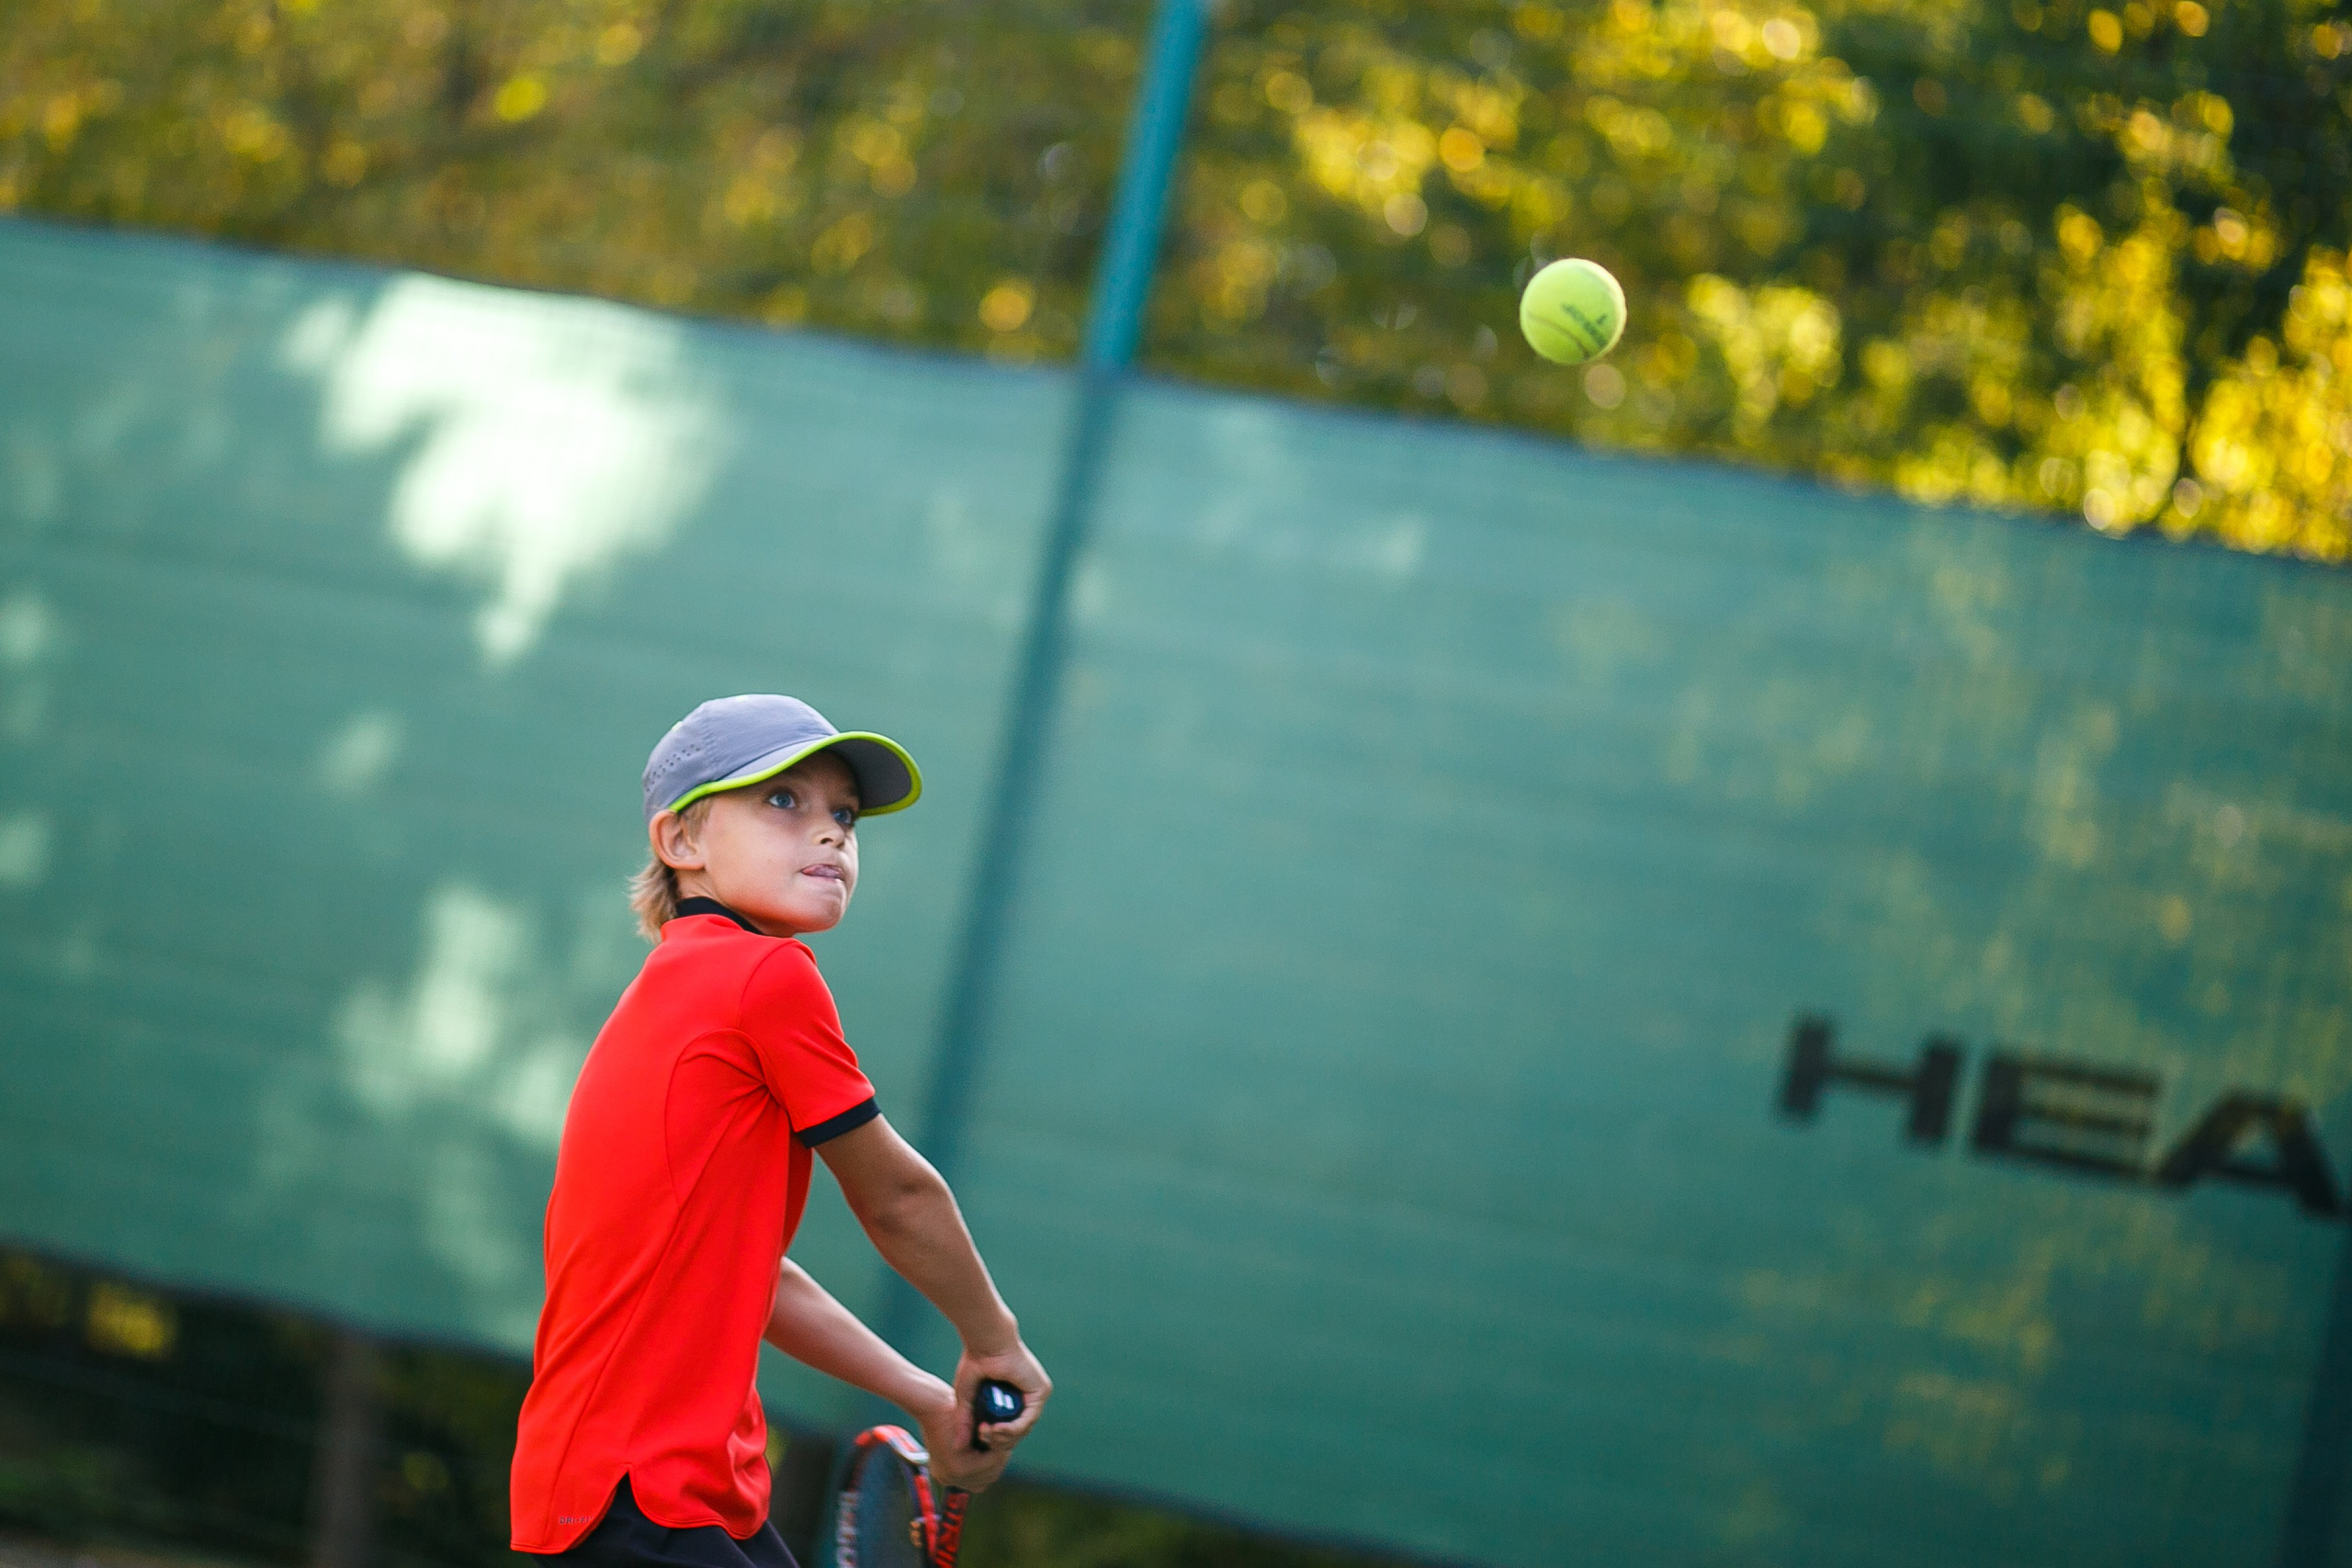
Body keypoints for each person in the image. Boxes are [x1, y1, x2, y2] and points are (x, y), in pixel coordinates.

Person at [510, 694, 1050, 1568]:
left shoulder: (675, 991)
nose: (832, 833)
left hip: (654, 1495)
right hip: (637, 1498)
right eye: (783, 801)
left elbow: (755, 1275)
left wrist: (924, 1394)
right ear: (682, 841)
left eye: (844, 813)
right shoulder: (764, 976)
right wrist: (995, 1343)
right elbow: (897, 1196)